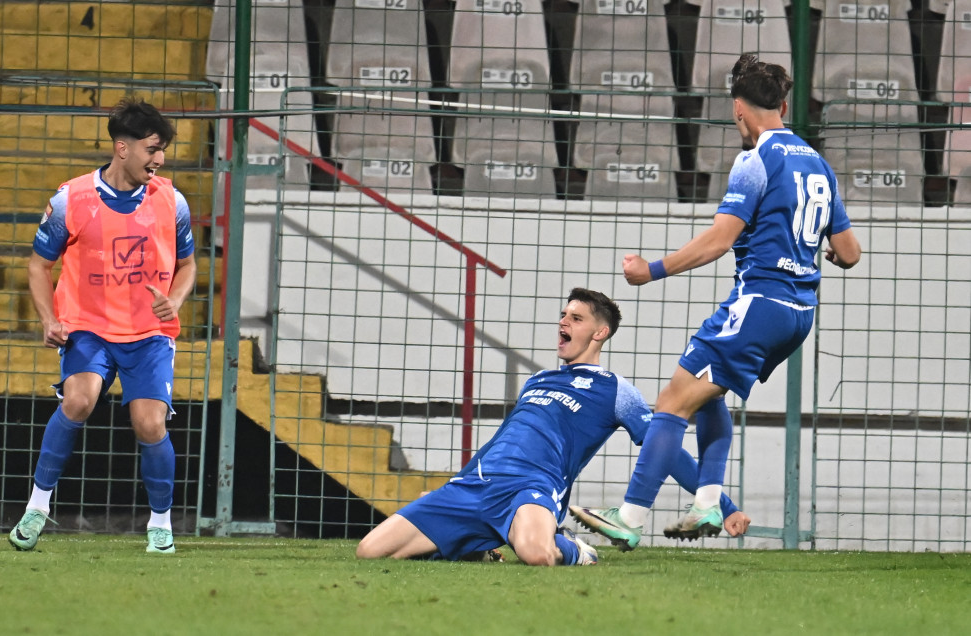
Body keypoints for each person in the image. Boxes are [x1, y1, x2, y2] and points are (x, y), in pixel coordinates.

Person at [571, 54, 862, 550]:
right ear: (785, 105)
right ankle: (706, 501)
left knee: (670, 404)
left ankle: (629, 516)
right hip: (799, 314)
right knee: (710, 393)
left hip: (759, 303)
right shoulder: (817, 162)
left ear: (738, 111)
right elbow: (851, 253)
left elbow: (719, 240)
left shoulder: (755, 160)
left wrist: (652, 270)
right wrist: (825, 251)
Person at [356, 288, 750, 566]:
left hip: (532, 488)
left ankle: (576, 550)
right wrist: (457, 483)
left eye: (575, 318)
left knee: (536, 555)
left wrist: (722, 506)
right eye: (563, 315)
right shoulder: (539, 379)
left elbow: (665, 451)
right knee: (370, 551)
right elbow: (503, 440)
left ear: (600, 333)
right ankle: (476, 544)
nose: (563, 322)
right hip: (476, 484)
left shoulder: (615, 390)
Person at [8, 98, 197, 554]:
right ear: (122, 148)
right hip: (88, 326)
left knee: (149, 425)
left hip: (148, 333)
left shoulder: (172, 201)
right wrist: (49, 320)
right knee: (79, 400)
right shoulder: (70, 199)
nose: (160, 159)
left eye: (163, 150)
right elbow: (38, 266)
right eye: (153, 149)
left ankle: (161, 523)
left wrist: (174, 300)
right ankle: (37, 507)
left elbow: (189, 264)